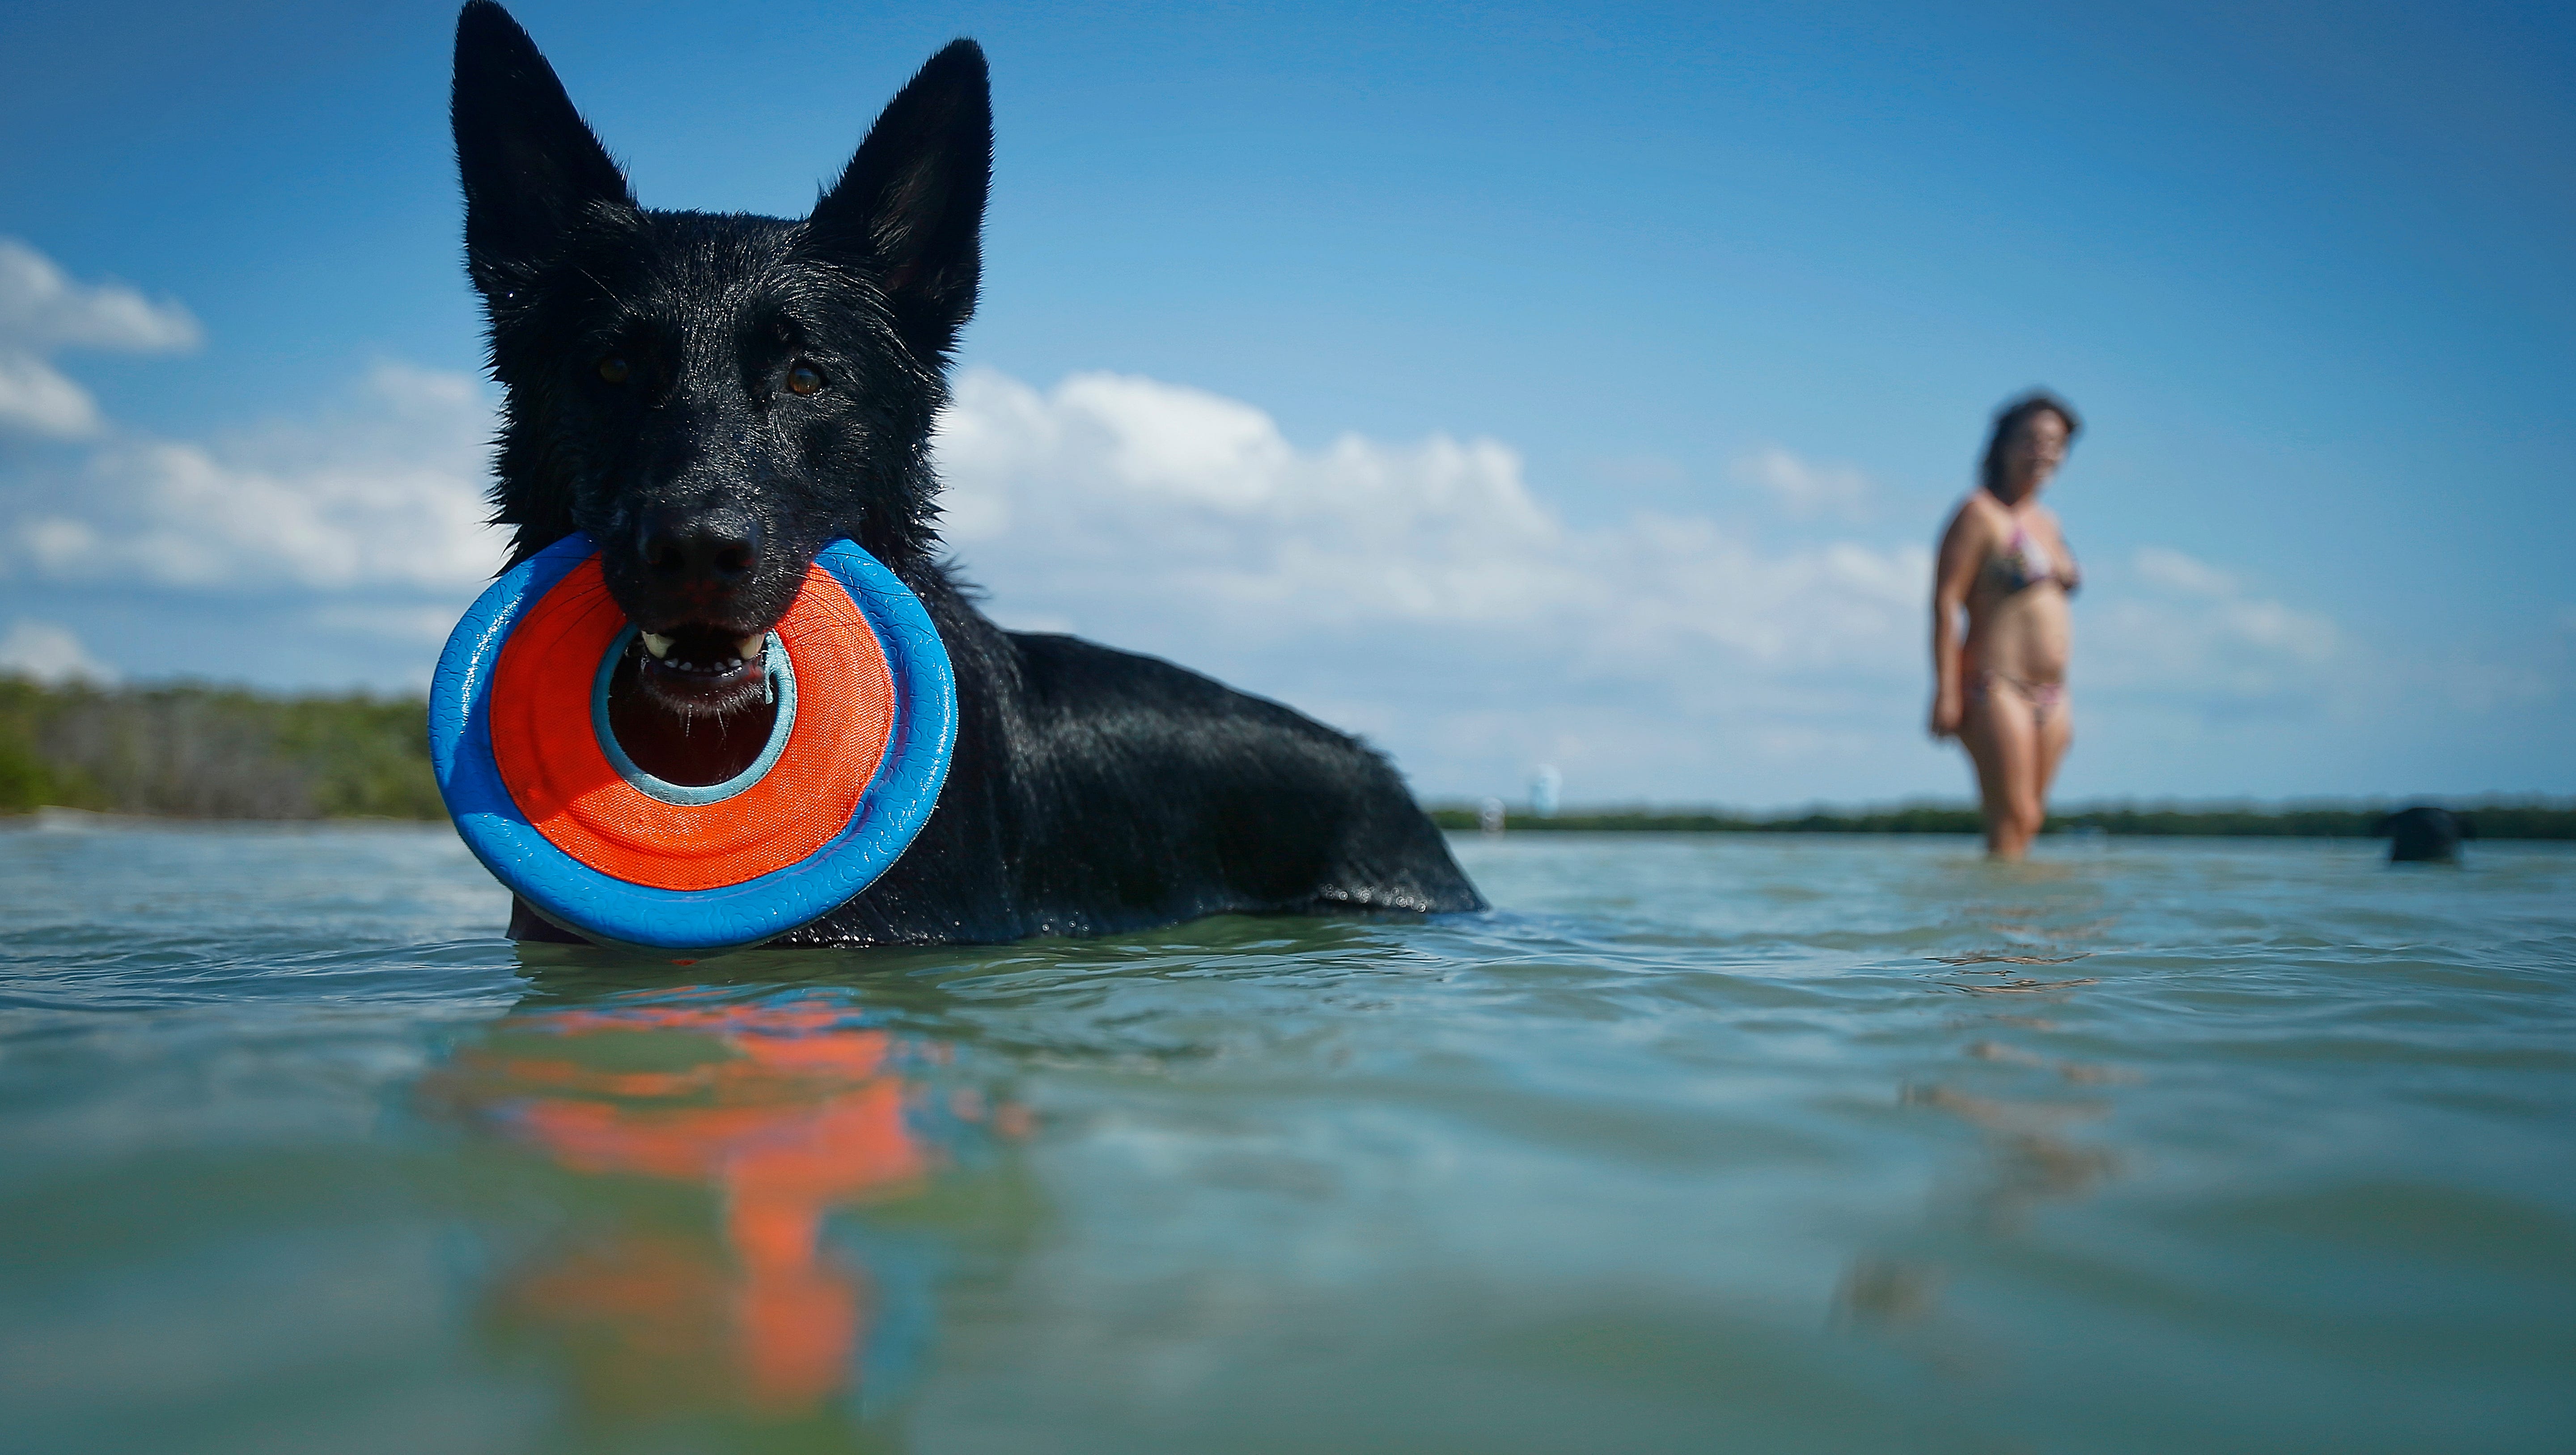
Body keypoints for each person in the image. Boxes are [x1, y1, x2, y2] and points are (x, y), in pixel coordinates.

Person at [1930, 392, 2083, 859]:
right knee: (2011, 816)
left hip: (2053, 691)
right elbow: (1944, 601)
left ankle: (2013, 924)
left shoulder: (2048, 522)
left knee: (2031, 819)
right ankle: (1990, 923)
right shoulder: (1979, 512)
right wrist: (1946, 690)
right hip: (1996, 683)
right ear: (2003, 444)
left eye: (2055, 442)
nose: (2044, 451)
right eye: (2032, 439)